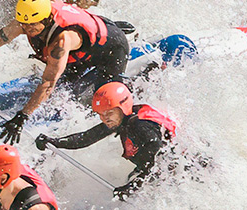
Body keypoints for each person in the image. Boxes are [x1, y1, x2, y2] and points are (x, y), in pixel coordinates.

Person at [0, 0, 130, 145]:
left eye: (33, 25)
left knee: (106, 102)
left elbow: (47, 82)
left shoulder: (61, 41)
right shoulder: (23, 22)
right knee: (63, 90)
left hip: (110, 50)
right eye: (25, 25)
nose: (28, 29)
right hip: (80, 49)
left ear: (47, 19)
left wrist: (22, 116)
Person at [35, 82, 177, 200]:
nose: (105, 119)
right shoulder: (120, 120)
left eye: (109, 113)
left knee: (138, 186)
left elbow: (157, 156)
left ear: (122, 108)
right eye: (101, 114)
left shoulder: (140, 125)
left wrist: (133, 187)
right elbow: (86, 138)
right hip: (155, 170)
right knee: (132, 180)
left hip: (174, 170)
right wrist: (54, 142)